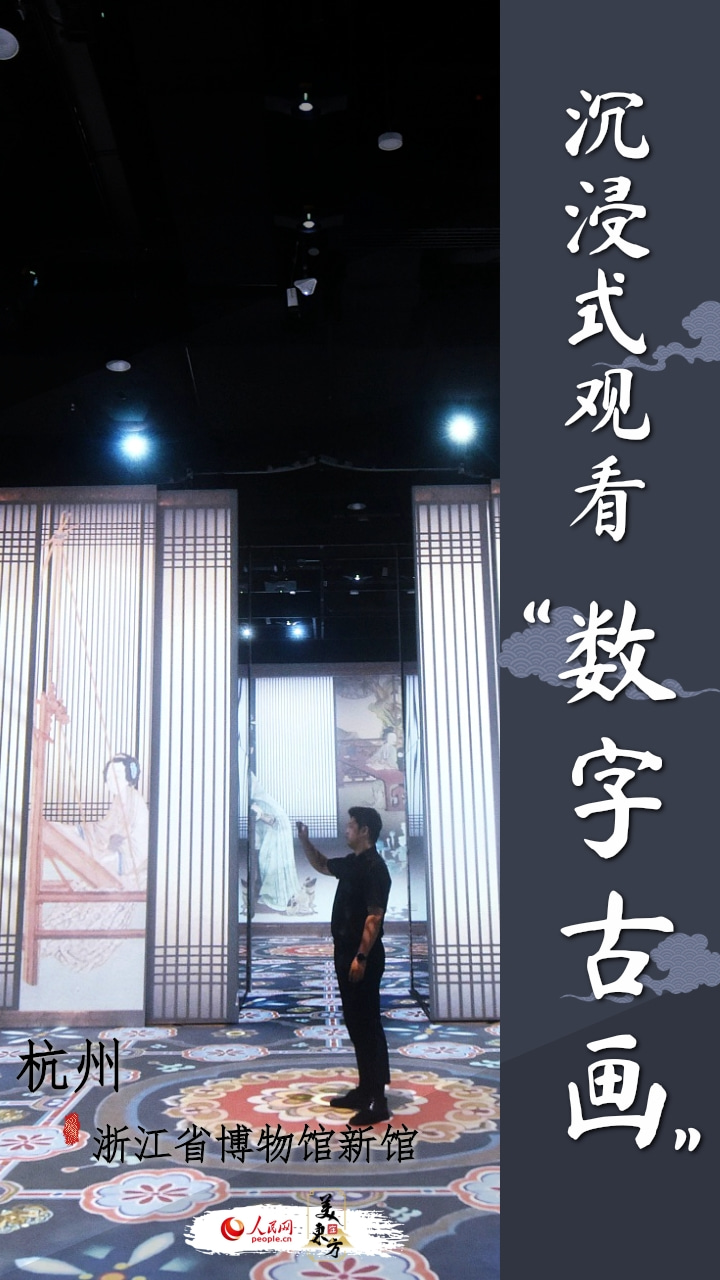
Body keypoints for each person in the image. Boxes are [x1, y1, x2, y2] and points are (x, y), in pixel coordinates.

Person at [296, 806, 392, 1124]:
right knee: (356, 1023)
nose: (346, 829)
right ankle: (365, 1089)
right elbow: (323, 865)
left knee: (369, 1025)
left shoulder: (375, 868)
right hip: (345, 954)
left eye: (351, 825)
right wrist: (305, 841)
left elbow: (374, 917)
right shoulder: (353, 863)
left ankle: (378, 1100)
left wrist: (361, 957)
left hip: (363, 957)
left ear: (365, 830)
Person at [250, 775, 300, 913]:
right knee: (268, 863)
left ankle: (279, 897)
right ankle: (277, 894)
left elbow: (273, 821)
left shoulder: (262, 803)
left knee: (273, 863)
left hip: (278, 834)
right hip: (273, 833)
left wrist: (261, 816)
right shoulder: (261, 801)